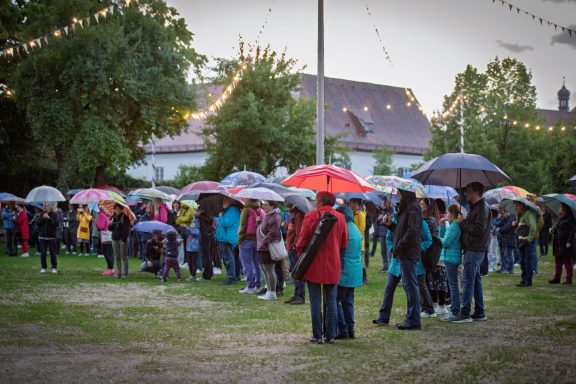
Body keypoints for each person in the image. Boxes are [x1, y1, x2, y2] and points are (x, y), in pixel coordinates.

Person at [296, 191, 348, 344]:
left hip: (313, 263)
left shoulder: (311, 216)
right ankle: (331, 335)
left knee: (315, 301)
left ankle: (317, 335)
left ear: (319, 201)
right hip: (333, 263)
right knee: (331, 301)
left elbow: (302, 240)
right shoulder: (341, 217)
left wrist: (301, 255)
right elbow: (344, 242)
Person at [373, 212, 431, 327]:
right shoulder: (396, 222)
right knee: (388, 289)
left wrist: (416, 249)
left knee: (411, 290)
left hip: (412, 261)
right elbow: (389, 238)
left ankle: (414, 317)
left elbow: (428, 240)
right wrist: (391, 249)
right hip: (396, 263)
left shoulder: (421, 223)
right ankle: (383, 317)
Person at [451, 182, 490, 323]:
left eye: (468, 191)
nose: (466, 194)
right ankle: (480, 312)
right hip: (473, 248)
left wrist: (463, 222)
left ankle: (465, 313)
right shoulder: (477, 208)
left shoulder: (482, 208)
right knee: (475, 280)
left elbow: (478, 230)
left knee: (467, 280)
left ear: (476, 192)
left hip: (474, 249)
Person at [334, 205, 363, 340]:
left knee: (335, 301)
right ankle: (350, 329)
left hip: (344, 271)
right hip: (355, 271)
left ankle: (343, 329)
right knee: (348, 302)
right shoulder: (356, 229)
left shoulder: (344, 229)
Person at [439, 204, 462, 321]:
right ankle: (454, 310)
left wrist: (436, 240)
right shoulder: (452, 225)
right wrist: (442, 226)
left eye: (447, 212)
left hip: (452, 259)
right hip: (450, 258)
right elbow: (444, 236)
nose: (445, 215)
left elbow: (446, 242)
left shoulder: (454, 226)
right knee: (452, 285)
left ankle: (455, 311)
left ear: (452, 214)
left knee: (453, 286)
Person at [256, 200, 283, 301]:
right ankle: (269, 291)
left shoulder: (275, 216)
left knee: (270, 270)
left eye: (266, 205)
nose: (263, 207)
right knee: (265, 270)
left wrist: (264, 242)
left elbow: (273, 233)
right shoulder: (268, 215)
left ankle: (272, 293)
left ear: (272, 206)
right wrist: (259, 223)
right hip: (264, 247)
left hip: (268, 247)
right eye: (263, 205)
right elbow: (265, 229)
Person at [419, 198, 440, 318]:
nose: (420, 206)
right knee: (423, 281)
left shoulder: (429, 220)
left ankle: (429, 309)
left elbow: (428, 239)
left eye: (422, 204)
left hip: (427, 254)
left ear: (428, 206)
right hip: (426, 253)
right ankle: (426, 307)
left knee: (422, 281)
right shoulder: (427, 219)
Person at [238, 199, 264, 294]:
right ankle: (258, 286)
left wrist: (240, 240)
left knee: (247, 264)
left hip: (246, 239)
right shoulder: (261, 210)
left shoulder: (246, 210)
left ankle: (250, 286)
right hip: (257, 240)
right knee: (257, 264)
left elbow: (242, 226)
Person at [215, 196, 241, 285]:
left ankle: (231, 278)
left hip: (227, 237)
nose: (224, 201)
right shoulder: (230, 209)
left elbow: (226, 223)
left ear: (232, 200)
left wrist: (220, 216)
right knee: (230, 258)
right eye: (223, 199)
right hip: (226, 236)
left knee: (228, 258)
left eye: (226, 199)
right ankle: (234, 276)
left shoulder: (233, 209)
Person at [284, 202, 306, 305]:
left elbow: (299, 232)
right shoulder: (292, 213)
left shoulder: (298, 214)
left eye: (286, 200)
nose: (284, 202)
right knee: (295, 272)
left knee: (298, 272)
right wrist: (287, 225)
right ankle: (296, 294)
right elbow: (293, 229)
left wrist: (296, 246)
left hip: (294, 247)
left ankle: (300, 296)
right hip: (291, 246)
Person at [549, 203, 575, 285]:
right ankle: (557, 278)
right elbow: (558, 227)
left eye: (560, 207)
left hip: (565, 243)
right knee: (558, 260)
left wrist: (569, 241)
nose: (559, 208)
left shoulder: (570, 218)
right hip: (558, 242)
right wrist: (552, 229)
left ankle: (569, 278)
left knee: (567, 260)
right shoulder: (561, 218)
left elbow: (573, 230)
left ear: (565, 209)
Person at [513, 201, 537, 288]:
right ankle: (524, 280)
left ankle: (528, 280)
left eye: (517, 206)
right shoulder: (521, 215)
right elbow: (521, 229)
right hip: (521, 243)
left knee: (527, 262)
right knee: (523, 262)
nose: (515, 208)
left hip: (526, 243)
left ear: (522, 206)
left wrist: (529, 239)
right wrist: (515, 225)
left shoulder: (528, 214)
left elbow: (533, 227)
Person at [109, 203, 131, 279]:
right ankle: (118, 273)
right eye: (116, 209)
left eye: (119, 209)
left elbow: (127, 230)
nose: (117, 210)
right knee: (117, 257)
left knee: (124, 257)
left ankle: (125, 274)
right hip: (114, 239)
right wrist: (110, 224)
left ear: (122, 209)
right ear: (114, 210)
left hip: (122, 240)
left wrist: (124, 240)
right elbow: (110, 229)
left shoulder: (125, 218)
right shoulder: (113, 217)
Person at [349, 198, 367, 285]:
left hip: (359, 241)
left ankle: (364, 278)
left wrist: (354, 233)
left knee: (360, 261)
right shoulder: (353, 214)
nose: (350, 204)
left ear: (356, 204)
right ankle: (358, 278)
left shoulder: (360, 214)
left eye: (351, 203)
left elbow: (362, 228)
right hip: (354, 241)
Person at [494, 206, 516, 274]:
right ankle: (504, 268)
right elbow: (496, 222)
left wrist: (500, 229)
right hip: (503, 238)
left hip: (509, 238)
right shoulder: (504, 217)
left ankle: (510, 269)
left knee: (508, 254)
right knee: (503, 254)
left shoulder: (512, 217)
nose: (502, 212)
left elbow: (508, 227)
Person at [38, 204, 59, 273]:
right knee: (43, 253)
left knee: (53, 253)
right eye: (44, 205)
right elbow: (38, 224)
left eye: (46, 205)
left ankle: (54, 267)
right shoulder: (41, 214)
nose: (45, 207)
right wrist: (43, 219)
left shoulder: (54, 214)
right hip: (42, 236)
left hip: (51, 236)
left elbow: (56, 224)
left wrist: (49, 218)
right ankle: (43, 267)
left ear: (50, 206)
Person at [198, 207, 217, 281]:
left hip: (206, 235)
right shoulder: (209, 213)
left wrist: (199, 215)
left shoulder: (204, 214)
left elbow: (209, 221)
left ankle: (207, 275)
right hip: (208, 234)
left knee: (207, 255)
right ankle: (209, 273)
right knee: (208, 255)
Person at [95, 209, 114, 276]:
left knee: (107, 253)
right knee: (109, 252)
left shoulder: (101, 215)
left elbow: (101, 226)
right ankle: (109, 268)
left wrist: (96, 222)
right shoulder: (108, 214)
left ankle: (110, 268)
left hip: (105, 237)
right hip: (109, 236)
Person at [183, 217, 201, 281]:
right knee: (189, 263)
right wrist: (184, 227)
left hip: (194, 249)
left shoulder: (197, 230)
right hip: (188, 249)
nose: (192, 224)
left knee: (194, 263)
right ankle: (191, 275)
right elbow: (185, 233)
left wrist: (187, 227)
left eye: (193, 223)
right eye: (191, 223)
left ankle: (193, 275)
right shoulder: (189, 229)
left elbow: (194, 233)